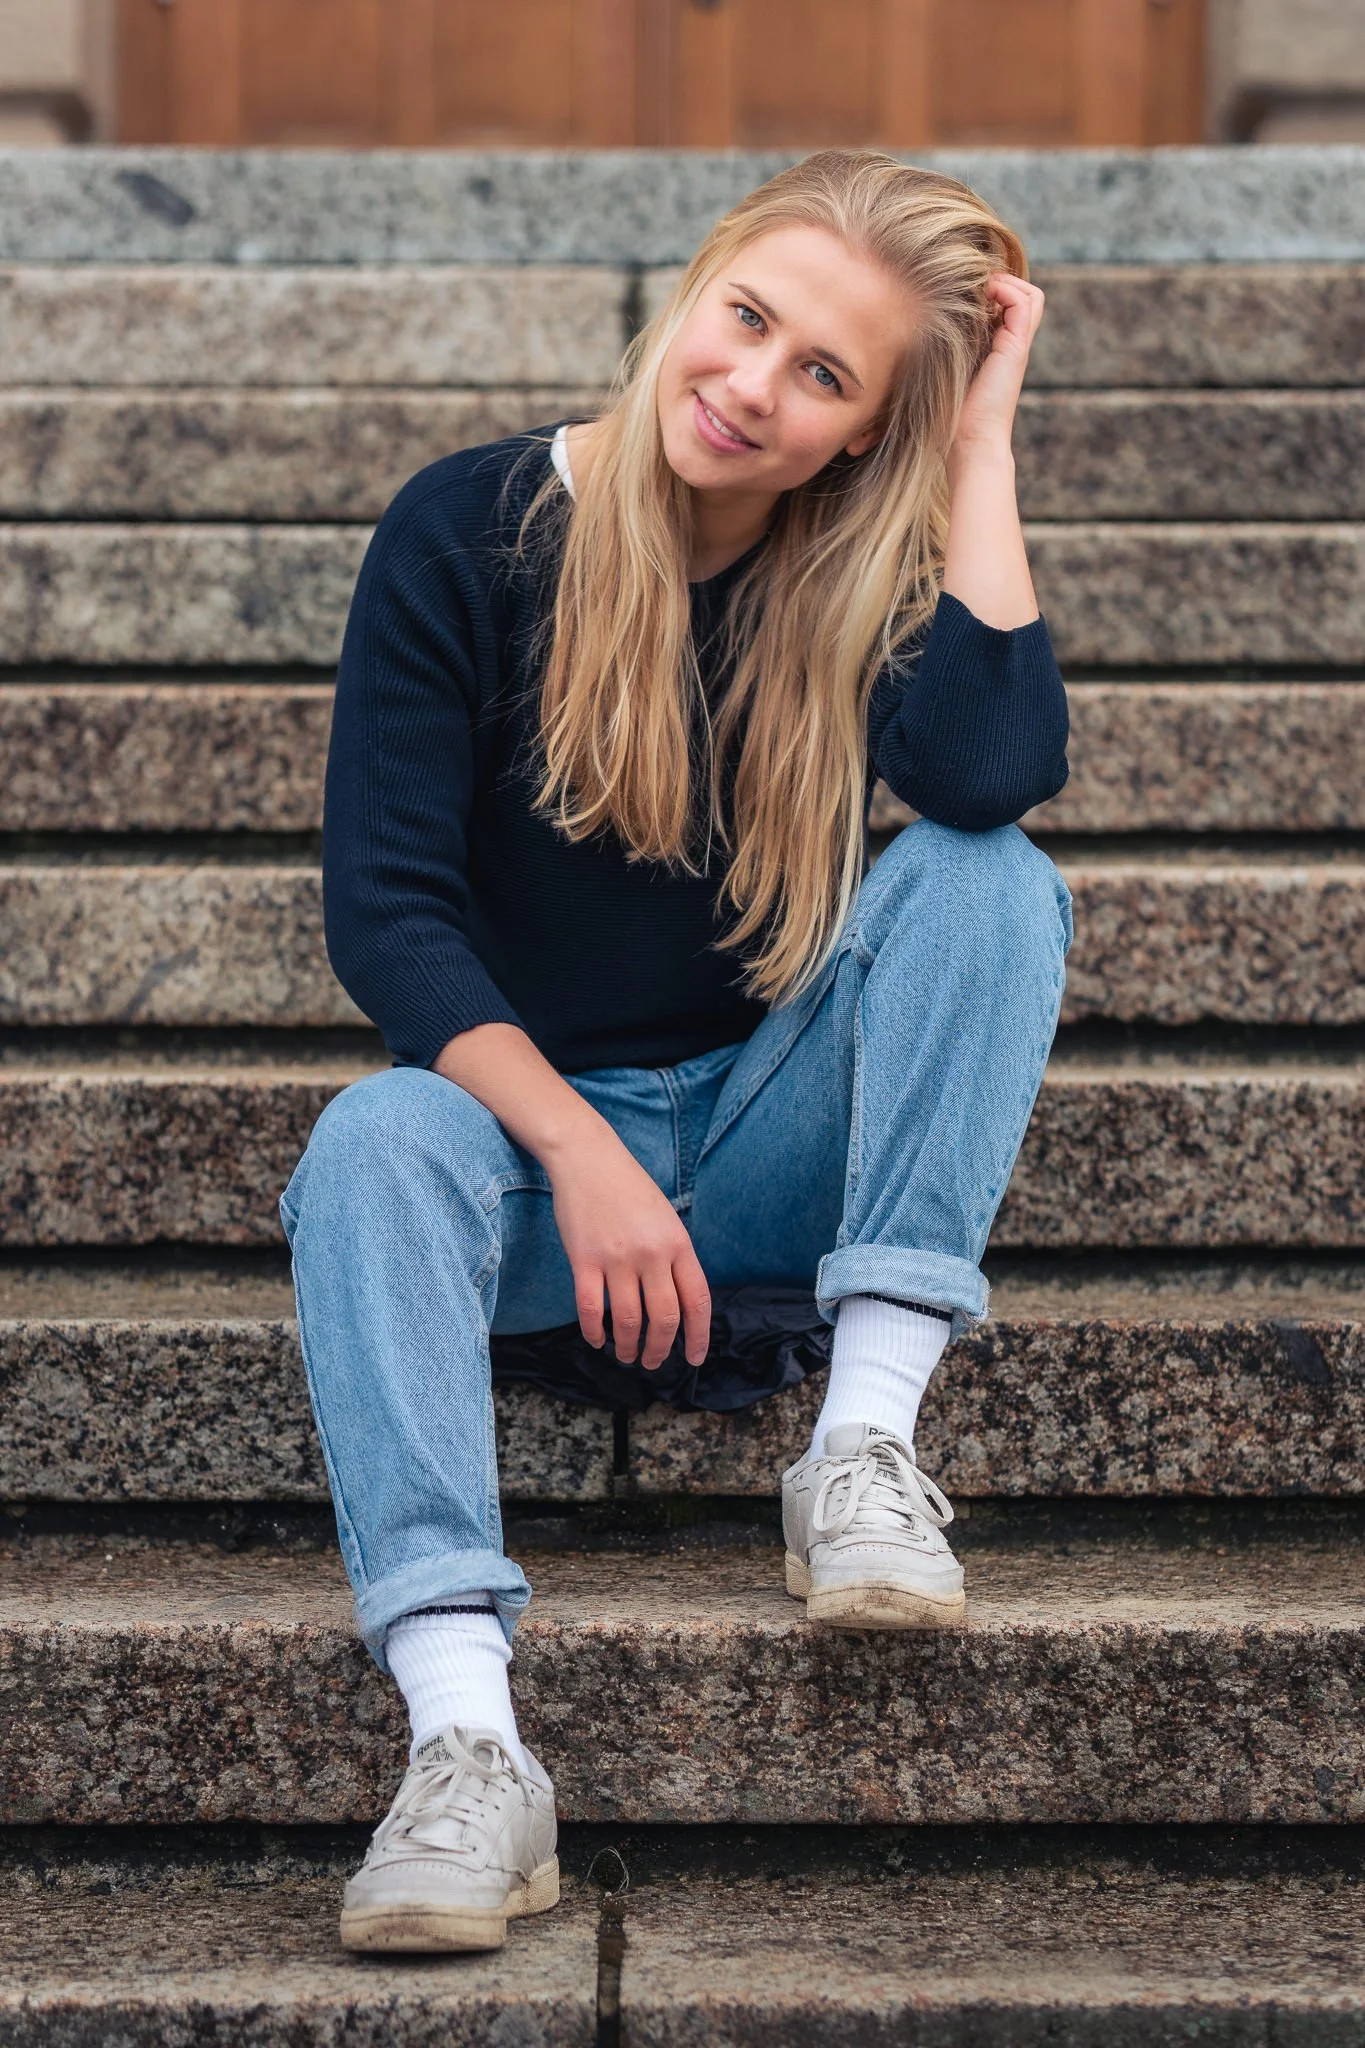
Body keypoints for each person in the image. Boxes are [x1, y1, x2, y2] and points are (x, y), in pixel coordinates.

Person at [280, 147, 1073, 1954]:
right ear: (694, 291)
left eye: (826, 376)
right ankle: (470, 1746)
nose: (752, 385)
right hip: (534, 1177)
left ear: (863, 432)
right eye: (750, 319)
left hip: (759, 1145)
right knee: (369, 1146)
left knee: (986, 882)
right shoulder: (469, 530)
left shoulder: (844, 572)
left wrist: (982, 444)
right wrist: (575, 1150)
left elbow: (990, 774)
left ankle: (862, 1446)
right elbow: (388, 920)